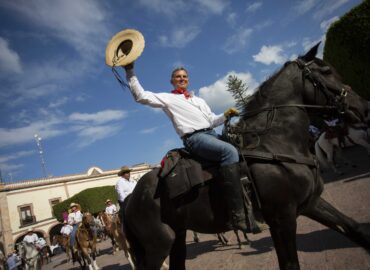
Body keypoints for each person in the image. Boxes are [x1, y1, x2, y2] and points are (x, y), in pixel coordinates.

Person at [121, 63, 246, 231]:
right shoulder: (168, 98)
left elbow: (211, 121)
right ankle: (238, 214)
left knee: (242, 147)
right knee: (229, 152)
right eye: (178, 77)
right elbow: (141, 96)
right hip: (195, 138)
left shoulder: (199, 100)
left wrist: (225, 115)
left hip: (211, 133)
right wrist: (130, 71)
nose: (182, 79)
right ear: (172, 81)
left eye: (185, 76)